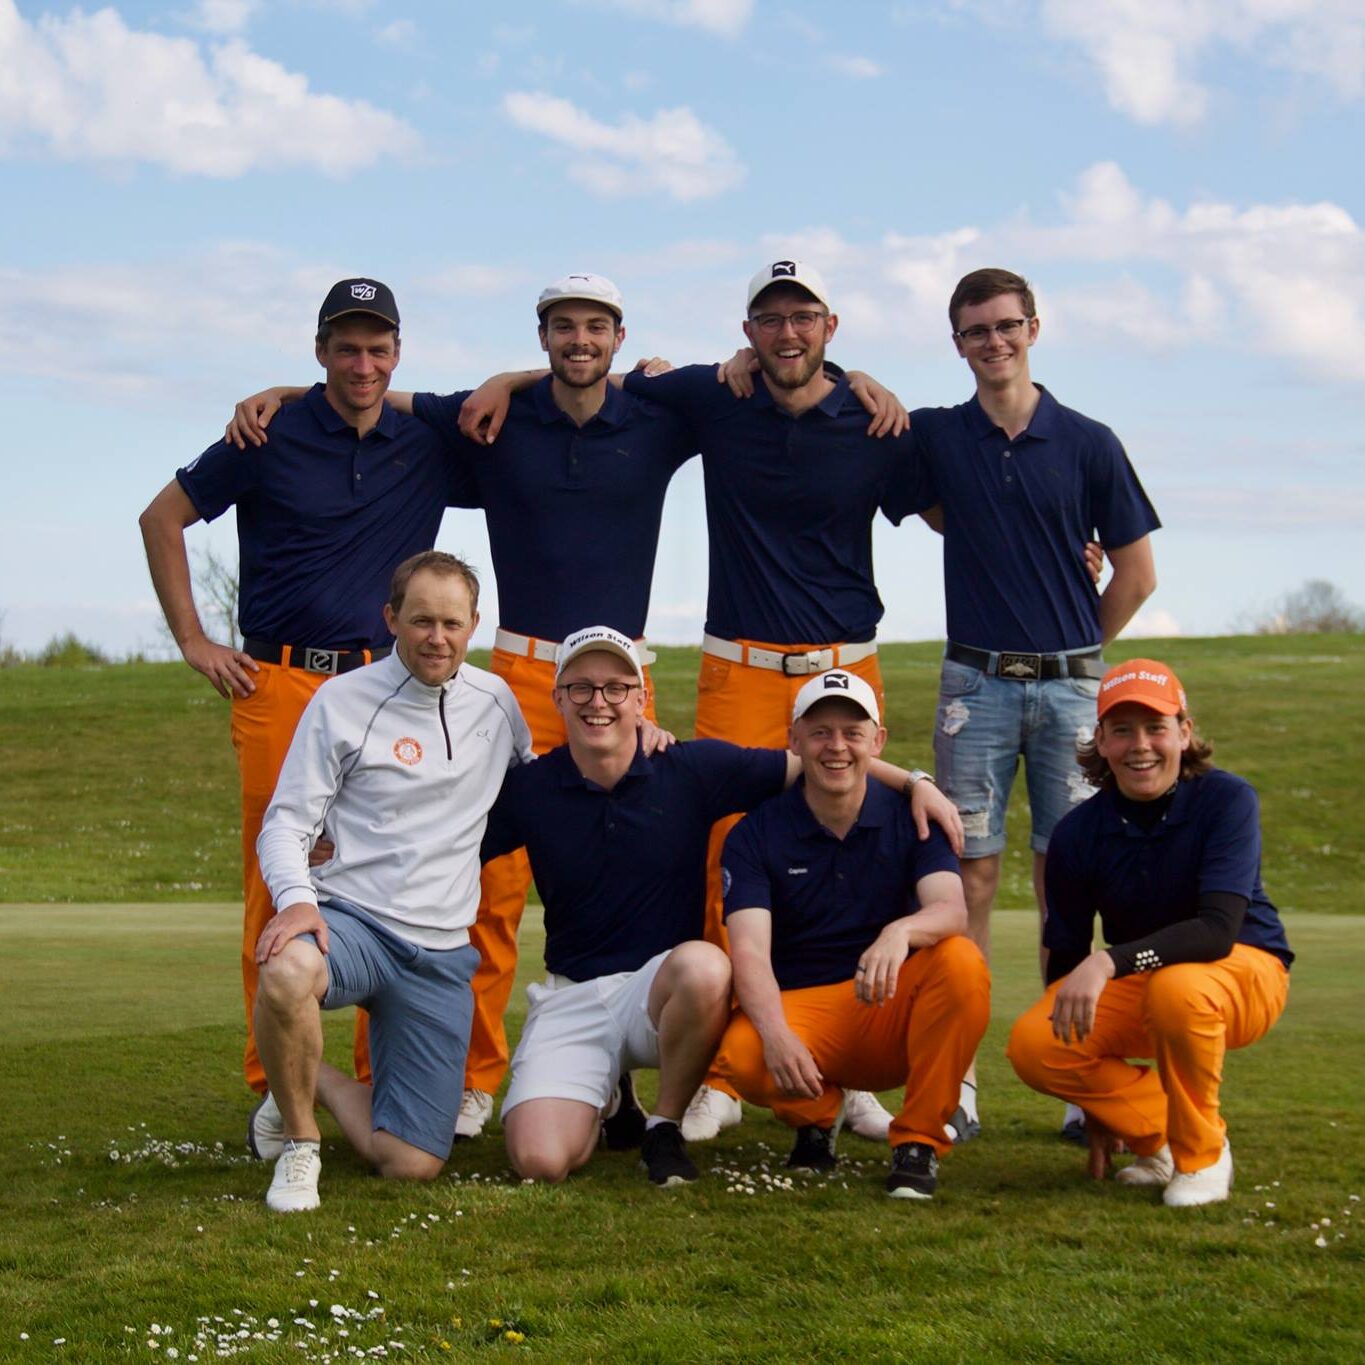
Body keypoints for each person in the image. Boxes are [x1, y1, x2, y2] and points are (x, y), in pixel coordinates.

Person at [445, 260, 922, 1145]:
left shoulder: (865, 415)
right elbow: (582, 377)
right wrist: (506, 378)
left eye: (803, 316)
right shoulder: (705, 396)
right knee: (694, 870)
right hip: (668, 666)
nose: (786, 332)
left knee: (845, 862)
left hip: (824, 664)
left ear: (830, 325)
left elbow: (946, 506)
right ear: (746, 332)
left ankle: (842, 1068)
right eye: (769, 318)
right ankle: (671, 1077)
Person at [139, 279, 471, 1097]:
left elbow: (524, 403)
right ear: (319, 350)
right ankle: (275, 1088)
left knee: (385, 882)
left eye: (377, 348)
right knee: (276, 882)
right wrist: (193, 641)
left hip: (386, 685)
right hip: (279, 680)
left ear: (398, 353)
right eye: (345, 348)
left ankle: (380, 1080)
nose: (363, 364)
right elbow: (160, 518)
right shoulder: (266, 433)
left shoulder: (426, 439)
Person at [480, 630, 964, 1187]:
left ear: (641, 698)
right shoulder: (531, 788)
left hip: (664, 993)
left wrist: (915, 783)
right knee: (541, 1162)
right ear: (558, 698)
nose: (599, 703)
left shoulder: (690, 768)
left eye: (616, 688)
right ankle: (607, 1099)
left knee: (707, 964)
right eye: (581, 688)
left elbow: (823, 758)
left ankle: (663, 1126)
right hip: (574, 994)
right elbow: (458, 846)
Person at [907, 268, 1161, 1141]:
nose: (994, 341)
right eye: (976, 330)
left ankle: (1076, 1077)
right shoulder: (939, 436)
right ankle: (958, 1080)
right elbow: (938, 510)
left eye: (1006, 325)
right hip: (973, 686)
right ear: (956, 343)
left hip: (1070, 692)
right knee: (967, 876)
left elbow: (1136, 573)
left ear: (1034, 328)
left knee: (1069, 880)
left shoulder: (1088, 442)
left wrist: (1077, 650)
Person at [245, 552, 533, 1211]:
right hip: (353, 923)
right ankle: (300, 1145)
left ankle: (309, 1078)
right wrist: (297, 902)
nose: (438, 637)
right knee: (286, 970)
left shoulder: (497, 700)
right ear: (391, 619)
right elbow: (285, 821)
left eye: (452, 623)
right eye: (422, 620)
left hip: (440, 951)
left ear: (474, 625)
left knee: (410, 1164)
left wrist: (638, 739)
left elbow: (541, 785)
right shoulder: (341, 700)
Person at [1007, 659, 1293, 1206]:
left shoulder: (1227, 799)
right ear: (1102, 742)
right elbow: (1067, 957)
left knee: (1177, 989)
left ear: (1184, 733)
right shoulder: (1076, 833)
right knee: (1037, 1045)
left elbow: (1217, 930)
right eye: (1122, 730)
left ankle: (1202, 1155)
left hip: (1245, 969)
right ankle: (1157, 1139)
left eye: (1156, 727)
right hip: (1150, 981)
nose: (1140, 746)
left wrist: (1108, 961)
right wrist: (1096, 1105)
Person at [715, 669, 991, 1199]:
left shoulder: (913, 815)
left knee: (961, 961)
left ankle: (919, 1141)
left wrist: (901, 931)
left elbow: (951, 910)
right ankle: (817, 1119)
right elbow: (748, 950)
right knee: (744, 1053)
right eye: (820, 732)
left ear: (877, 741)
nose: (836, 746)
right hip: (806, 1010)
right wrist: (775, 1034)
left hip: (887, 1005)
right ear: (794, 740)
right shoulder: (756, 831)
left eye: (852, 732)